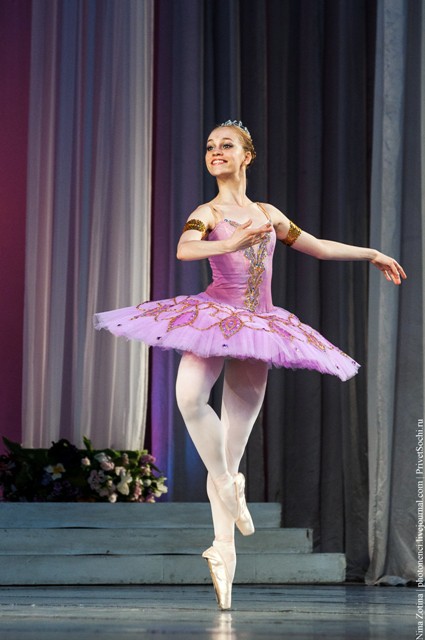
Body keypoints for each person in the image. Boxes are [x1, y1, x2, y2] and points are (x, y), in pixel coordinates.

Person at [94, 119, 406, 610]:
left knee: (230, 450)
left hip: (260, 326)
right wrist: (230, 243)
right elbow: (185, 248)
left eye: (227, 145)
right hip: (214, 316)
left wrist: (372, 253)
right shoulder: (207, 212)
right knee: (189, 399)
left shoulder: (267, 213)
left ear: (247, 156)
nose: (215, 151)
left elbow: (318, 246)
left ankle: (223, 550)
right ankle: (227, 484)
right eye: (210, 146)